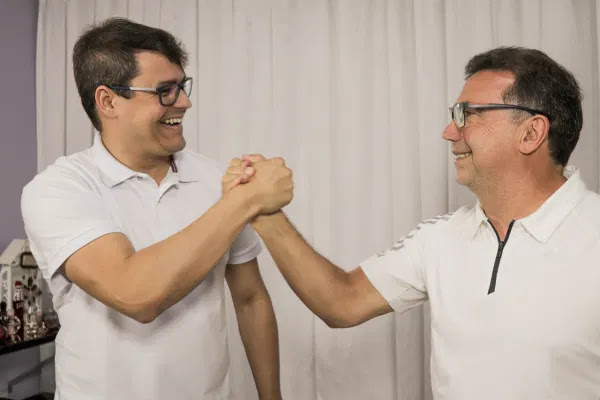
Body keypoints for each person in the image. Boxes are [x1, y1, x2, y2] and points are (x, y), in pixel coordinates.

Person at [224, 46, 600, 398]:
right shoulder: (440, 239)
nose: (449, 133)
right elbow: (341, 301)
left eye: (467, 114)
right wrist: (263, 210)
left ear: (531, 133)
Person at [21, 18, 292, 400]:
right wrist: (242, 201)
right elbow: (135, 294)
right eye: (164, 91)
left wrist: (271, 397)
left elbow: (250, 299)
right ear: (108, 101)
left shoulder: (214, 178)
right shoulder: (58, 189)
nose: (184, 102)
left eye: (181, 86)